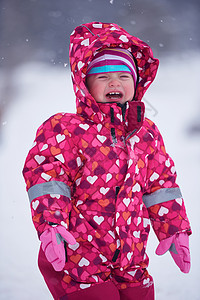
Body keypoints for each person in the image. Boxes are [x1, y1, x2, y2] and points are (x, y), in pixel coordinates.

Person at [22, 22, 191, 300]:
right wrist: (51, 224)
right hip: (80, 256)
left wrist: (174, 229)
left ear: (136, 84)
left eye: (123, 76)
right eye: (102, 77)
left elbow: (161, 185)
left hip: (132, 256)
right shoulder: (65, 129)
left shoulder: (146, 132)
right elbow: (47, 179)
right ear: (85, 85)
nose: (114, 82)